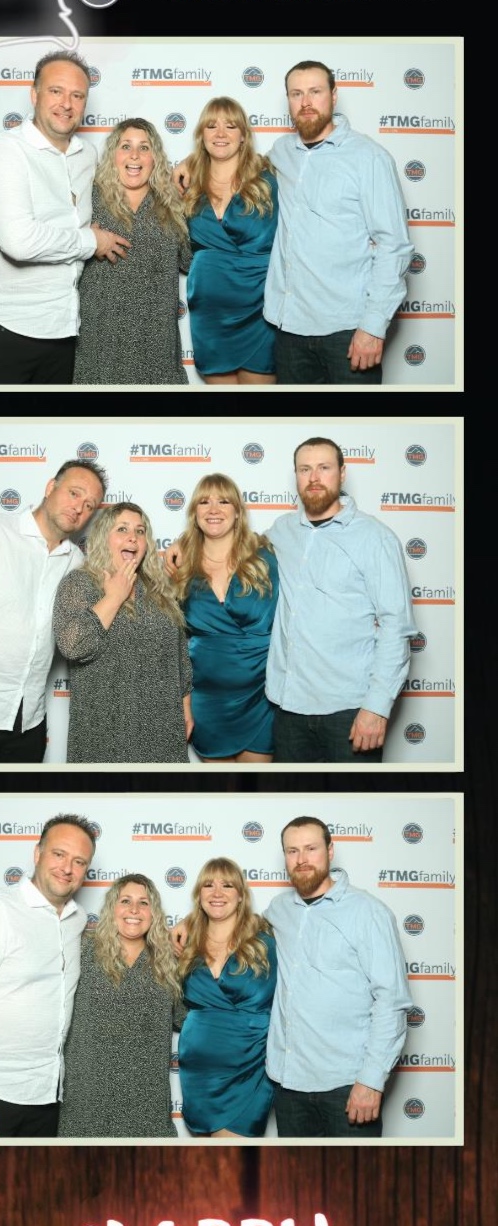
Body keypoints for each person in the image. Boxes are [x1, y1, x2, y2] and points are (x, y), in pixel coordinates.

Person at [0, 52, 130, 384]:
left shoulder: (87, 155)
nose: (66, 103)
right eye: (56, 91)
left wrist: (188, 171)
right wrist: (91, 241)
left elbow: (127, 179)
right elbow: (20, 242)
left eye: (77, 95)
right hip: (2, 328)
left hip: (62, 328)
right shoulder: (4, 150)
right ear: (34, 95)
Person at [0, 459, 106, 764]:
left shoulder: (76, 563)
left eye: (90, 505)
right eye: (74, 493)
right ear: (50, 487)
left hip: (29, 724)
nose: (79, 507)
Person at [0, 815, 96, 1139]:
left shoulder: (77, 919)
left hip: (47, 1097)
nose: (67, 868)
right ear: (37, 854)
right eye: (59, 854)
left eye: (79, 861)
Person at [265, 436, 416, 762]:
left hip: (349, 712)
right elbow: (234, 549)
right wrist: (184, 546)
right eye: (305, 469)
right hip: (287, 709)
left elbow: (396, 626)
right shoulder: (282, 530)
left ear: (342, 473)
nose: (314, 477)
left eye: (324, 468)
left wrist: (376, 707)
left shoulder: (375, 538)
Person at [264, 60, 412, 384]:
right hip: (288, 329)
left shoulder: (369, 157)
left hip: (347, 332)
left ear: (333, 95)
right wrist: (190, 164)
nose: (305, 102)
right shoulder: (281, 151)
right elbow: (235, 165)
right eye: (296, 94)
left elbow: (394, 246)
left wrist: (373, 327)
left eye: (315, 92)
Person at [265, 817, 411, 1138]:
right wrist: (189, 924)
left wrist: (371, 1081)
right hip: (288, 1085)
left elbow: (392, 1001)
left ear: (330, 851)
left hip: (347, 1087)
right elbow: (233, 927)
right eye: (292, 851)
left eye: (311, 848)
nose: (301, 859)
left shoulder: (368, 912)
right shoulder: (278, 909)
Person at [53, 503, 193, 764]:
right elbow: (73, 646)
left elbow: (178, 654)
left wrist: (185, 707)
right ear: (103, 538)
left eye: (140, 531)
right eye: (122, 529)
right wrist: (114, 597)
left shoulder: (158, 589)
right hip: (104, 731)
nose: (133, 537)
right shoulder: (79, 583)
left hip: (162, 728)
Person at [58, 875, 185, 1139]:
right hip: (87, 1102)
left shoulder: (169, 963)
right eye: (125, 901)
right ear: (112, 908)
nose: (134, 910)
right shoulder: (82, 950)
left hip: (147, 1106)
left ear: (154, 913)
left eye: (144, 903)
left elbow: (188, 1021)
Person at [74, 118, 191, 384]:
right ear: (113, 154)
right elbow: (61, 244)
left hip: (158, 349)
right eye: (126, 146)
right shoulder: (89, 199)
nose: (135, 155)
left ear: (155, 158)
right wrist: (85, 239)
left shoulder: (173, 204)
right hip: (101, 346)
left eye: (144, 147)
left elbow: (191, 261)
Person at [170, 475, 278, 762]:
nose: (213, 509)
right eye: (204, 502)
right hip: (206, 701)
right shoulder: (182, 567)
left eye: (224, 501)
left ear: (238, 511)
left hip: (261, 697)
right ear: (194, 513)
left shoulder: (266, 556)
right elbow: (174, 640)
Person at [177, 860, 276, 1139]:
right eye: (208, 885)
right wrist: (187, 922)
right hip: (199, 1074)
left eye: (227, 885)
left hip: (250, 1069)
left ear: (241, 895)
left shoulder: (266, 942)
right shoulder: (187, 946)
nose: (217, 892)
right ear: (199, 894)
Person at [183, 99, 278, 384]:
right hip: (210, 313)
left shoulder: (270, 179)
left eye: (231, 126)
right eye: (211, 126)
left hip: (261, 310)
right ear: (201, 135)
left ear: (244, 136)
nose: (221, 133)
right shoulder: (188, 185)